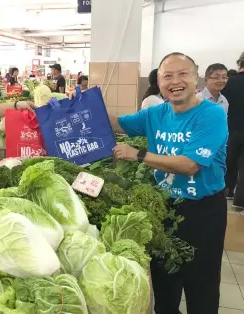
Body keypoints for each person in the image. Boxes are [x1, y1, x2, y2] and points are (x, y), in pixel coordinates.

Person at [72, 52, 228, 313]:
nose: (175, 81)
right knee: (164, 280)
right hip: (162, 208)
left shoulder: (211, 114)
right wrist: (83, 107)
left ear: (196, 77)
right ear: (158, 81)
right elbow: (117, 124)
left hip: (203, 211)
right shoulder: (156, 113)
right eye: (167, 76)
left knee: (201, 283)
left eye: (182, 74)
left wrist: (140, 155)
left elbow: (191, 164)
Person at [221, 50, 244, 210]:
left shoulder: (230, 83)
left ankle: (228, 191)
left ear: (239, 64)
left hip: (231, 130)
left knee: (229, 161)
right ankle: (241, 200)